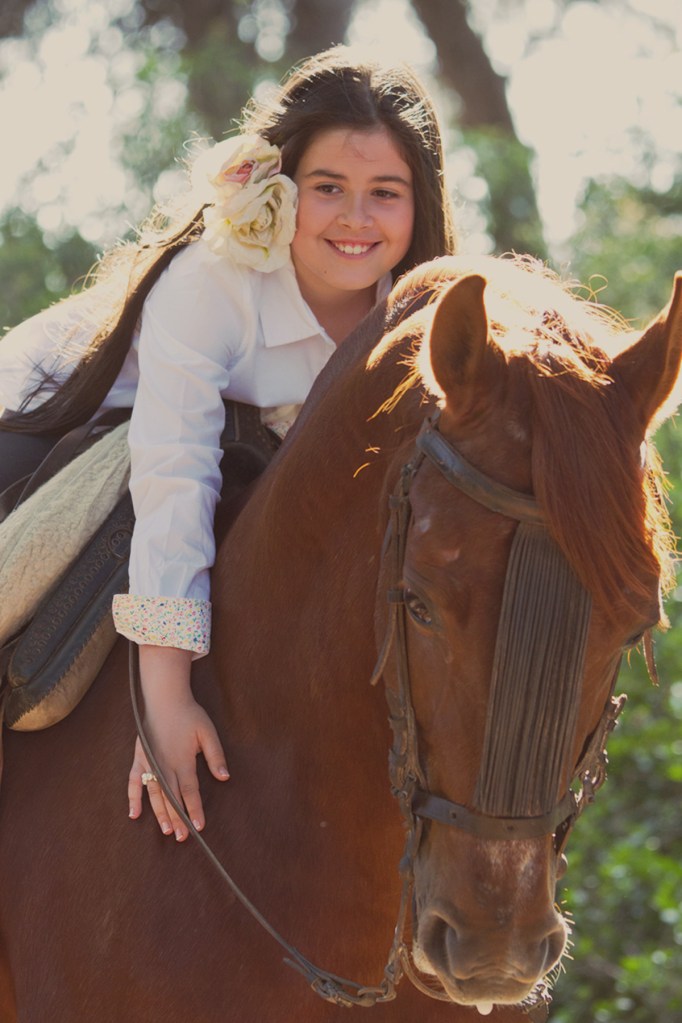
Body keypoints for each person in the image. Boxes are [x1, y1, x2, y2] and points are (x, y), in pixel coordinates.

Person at [0, 45, 457, 841]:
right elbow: (175, 472)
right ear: (280, 187)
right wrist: (165, 699)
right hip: (70, 411)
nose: (356, 217)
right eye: (328, 189)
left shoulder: (424, 322)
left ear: (420, 205)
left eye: (385, 193)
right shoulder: (214, 279)